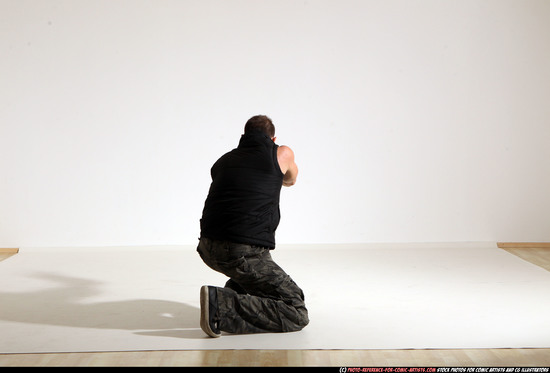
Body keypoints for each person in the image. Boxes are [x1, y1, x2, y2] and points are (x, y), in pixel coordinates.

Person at [196, 115, 309, 337]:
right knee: (296, 309)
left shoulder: (223, 161)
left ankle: (233, 293)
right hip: (243, 252)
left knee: (269, 287)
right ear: (273, 137)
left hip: (208, 248)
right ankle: (221, 305)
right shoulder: (282, 152)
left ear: (243, 137)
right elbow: (291, 179)